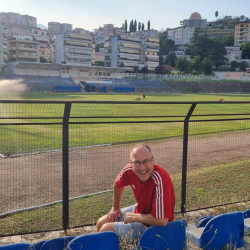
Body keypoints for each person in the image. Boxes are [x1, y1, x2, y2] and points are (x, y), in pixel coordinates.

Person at [96, 144, 175, 240]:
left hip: (154, 227)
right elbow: (118, 184)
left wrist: (135, 217)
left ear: (153, 160)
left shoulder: (160, 179)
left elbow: (162, 220)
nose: (142, 168)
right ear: (131, 162)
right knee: (101, 222)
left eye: (146, 161)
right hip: (140, 211)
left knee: (106, 230)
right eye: (137, 162)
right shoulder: (129, 170)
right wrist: (115, 208)